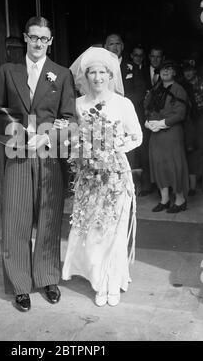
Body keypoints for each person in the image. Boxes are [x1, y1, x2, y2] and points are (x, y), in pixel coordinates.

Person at [0, 16, 76, 312]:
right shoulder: (8, 70)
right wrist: (17, 132)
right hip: (16, 155)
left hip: (48, 154)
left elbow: (70, 117)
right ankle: (20, 284)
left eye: (44, 38)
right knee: (15, 218)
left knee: (49, 217)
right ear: (25, 38)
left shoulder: (61, 74)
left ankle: (48, 277)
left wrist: (48, 134)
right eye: (33, 37)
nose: (38, 43)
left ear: (50, 42)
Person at [60, 47, 142, 307]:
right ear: (85, 76)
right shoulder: (80, 104)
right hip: (89, 176)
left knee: (113, 230)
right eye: (92, 72)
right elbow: (74, 137)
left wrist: (116, 147)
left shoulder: (122, 103)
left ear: (110, 75)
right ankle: (98, 279)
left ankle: (111, 282)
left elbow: (136, 136)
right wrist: (76, 141)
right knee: (94, 229)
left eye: (102, 72)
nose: (97, 77)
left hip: (116, 174)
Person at [144, 60, 189, 213]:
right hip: (155, 134)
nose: (165, 71)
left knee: (174, 166)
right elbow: (147, 108)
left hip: (171, 133)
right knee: (158, 165)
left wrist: (162, 123)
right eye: (163, 69)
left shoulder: (179, 89)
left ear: (174, 72)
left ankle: (180, 200)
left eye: (169, 68)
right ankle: (164, 200)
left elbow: (180, 113)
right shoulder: (155, 89)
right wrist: (149, 122)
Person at [104, 34, 146, 194]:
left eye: (117, 44)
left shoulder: (131, 66)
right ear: (105, 47)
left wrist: (121, 105)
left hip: (126, 114)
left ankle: (132, 186)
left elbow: (141, 90)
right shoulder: (100, 67)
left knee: (130, 149)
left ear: (122, 46)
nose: (114, 47)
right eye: (111, 44)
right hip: (106, 115)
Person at [181, 61, 203, 196]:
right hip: (190, 121)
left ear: (195, 70)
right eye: (185, 70)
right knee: (190, 151)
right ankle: (192, 186)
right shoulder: (182, 85)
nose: (188, 73)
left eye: (190, 70)